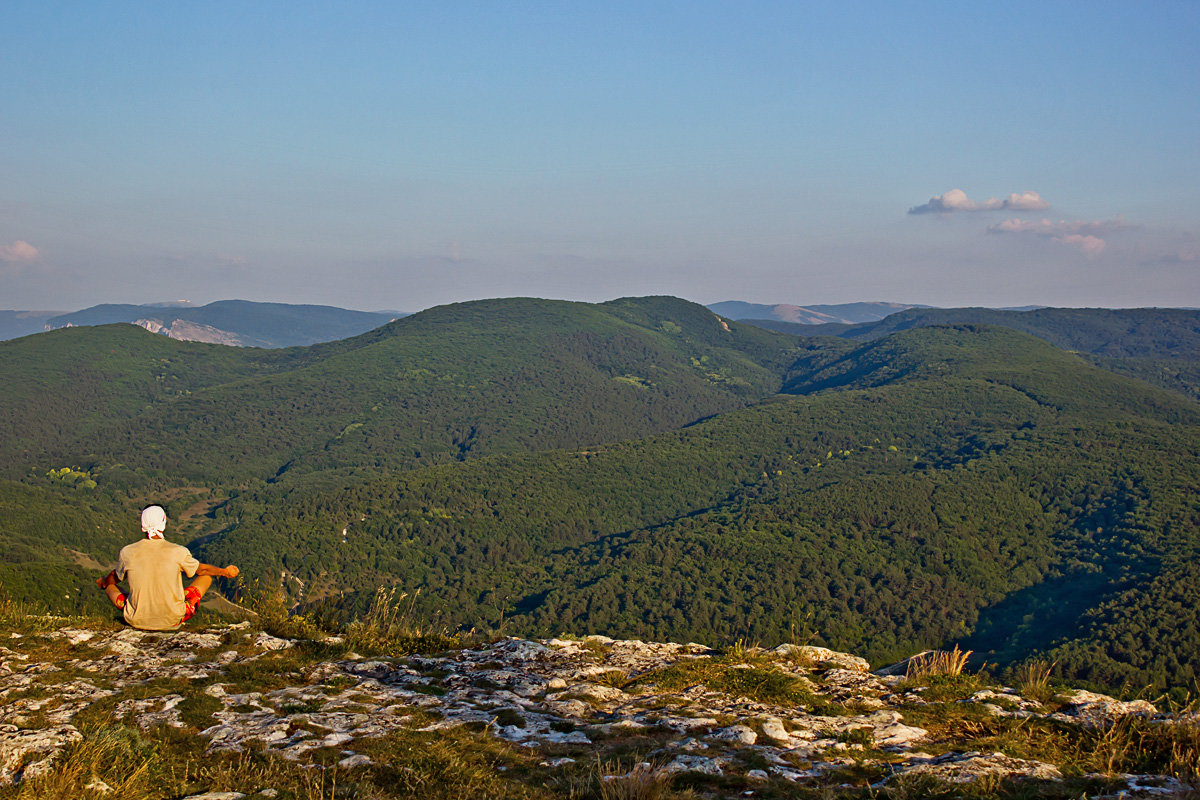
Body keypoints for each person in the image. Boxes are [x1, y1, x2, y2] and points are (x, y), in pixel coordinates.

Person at [96, 505, 240, 631]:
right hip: (172, 619)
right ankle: (176, 606)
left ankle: (136, 610)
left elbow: (114, 578)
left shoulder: (128, 552)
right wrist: (224, 572)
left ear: (142, 526)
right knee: (206, 577)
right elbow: (202, 570)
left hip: (136, 619)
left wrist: (104, 582)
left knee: (110, 587)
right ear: (164, 523)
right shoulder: (178, 551)